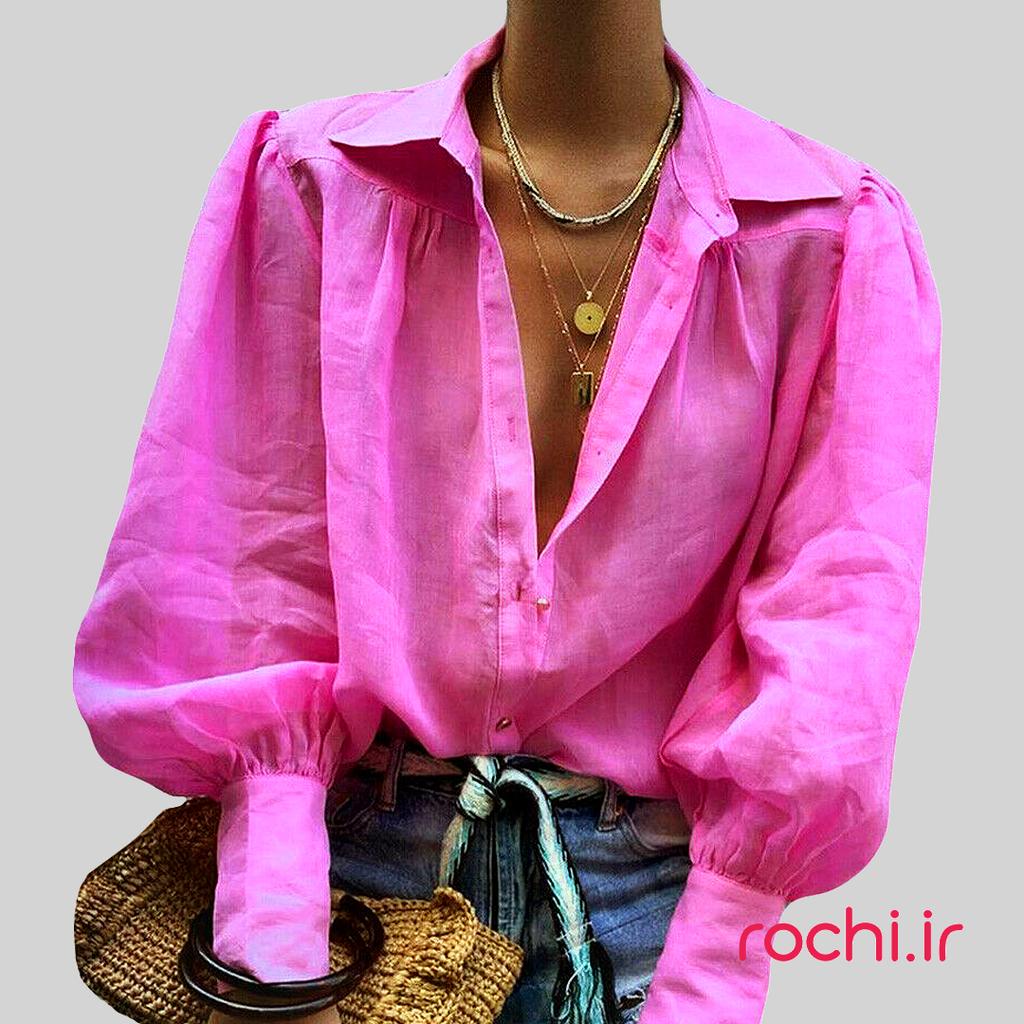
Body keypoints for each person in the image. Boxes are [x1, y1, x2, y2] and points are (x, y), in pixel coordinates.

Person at [71, 3, 942, 1023]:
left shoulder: (831, 236)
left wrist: (709, 979)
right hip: (346, 902)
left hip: (651, 924)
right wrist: (276, 951)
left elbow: (834, 621)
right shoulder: (319, 180)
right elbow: (254, 561)